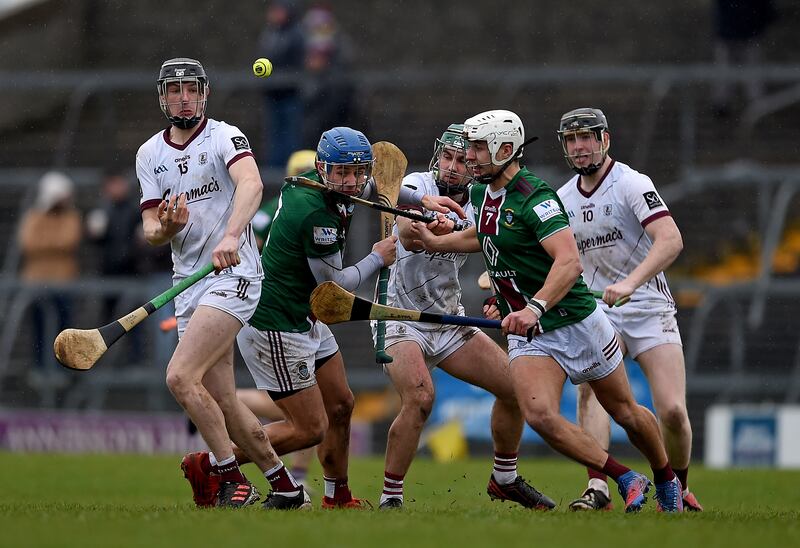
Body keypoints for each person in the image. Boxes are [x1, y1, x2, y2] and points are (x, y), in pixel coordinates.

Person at [180, 126, 465, 510]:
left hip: (306, 315)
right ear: (322, 168)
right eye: (341, 173)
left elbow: (371, 190)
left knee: (341, 405)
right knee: (310, 428)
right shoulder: (315, 213)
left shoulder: (327, 183)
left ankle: (337, 497)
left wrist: (422, 201)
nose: (350, 182)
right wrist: (378, 258)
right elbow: (333, 287)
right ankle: (213, 464)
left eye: (356, 172)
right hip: (276, 323)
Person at [413, 109, 684, 513]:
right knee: (539, 414)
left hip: (575, 321)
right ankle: (625, 477)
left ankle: (666, 477)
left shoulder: (536, 198)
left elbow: (569, 263)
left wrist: (534, 307)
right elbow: (484, 234)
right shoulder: (479, 193)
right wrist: (439, 243)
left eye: (476, 148)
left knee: (624, 411)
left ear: (505, 150)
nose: (468, 156)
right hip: (530, 333)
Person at [137, 57, 305, 510]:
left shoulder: (224, 136)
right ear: (162, 97)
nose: (183, 96)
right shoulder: (150, 153)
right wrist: (167, 230)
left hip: (234, 274)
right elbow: (150, 228)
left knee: (179, 376)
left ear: (204, 92)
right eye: (174, 90)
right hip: (188, 283)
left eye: (191, 88)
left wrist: (232, 233)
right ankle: (285, 486)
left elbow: (250, 184)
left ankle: (231, 479)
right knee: (224, 400)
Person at [372, 124, 554, 511]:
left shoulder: (484, 199)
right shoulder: (417, 184)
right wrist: (427, 223)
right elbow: (407, 234)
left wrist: (497, 296)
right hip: (400, 316)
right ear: (438, 156)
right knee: (421, 398)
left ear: (475, 163)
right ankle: (390, 499)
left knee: (515, 388)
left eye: (461, 160)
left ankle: (504, 478)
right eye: (447, 158)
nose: (453, 167)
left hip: (449, 320)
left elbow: (499, 250)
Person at [554, 108, 702, 512]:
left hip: (648, 305)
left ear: (605, 140)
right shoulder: (563, 199)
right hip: (599, 311)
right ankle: (598, 488)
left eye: (587, 137)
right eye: (571, 139)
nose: (579, 146)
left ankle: (678, 486)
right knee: (592, 393)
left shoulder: (632, 183)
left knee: (672, 410)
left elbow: (670, 240)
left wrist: (630, 283)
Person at [18, 171, 81, 371]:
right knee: (39, 328)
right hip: (37, 281)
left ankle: (62, 369)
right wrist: (52, 244)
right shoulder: (35, 216)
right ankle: (40, 368)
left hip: (62, 282)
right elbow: (28, 242)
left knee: (63, 329)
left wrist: (44, 244)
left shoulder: (71, 217)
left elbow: (69, 240)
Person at [257, 0, 306, 167]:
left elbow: (296, 65)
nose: (273, 14)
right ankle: (274, 171)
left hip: (290, 95)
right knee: (274, 137)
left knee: (289, 137)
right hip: (273, 95)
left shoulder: (297, 34)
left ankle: (289, 171)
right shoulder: (269, 33)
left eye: (278, 10)